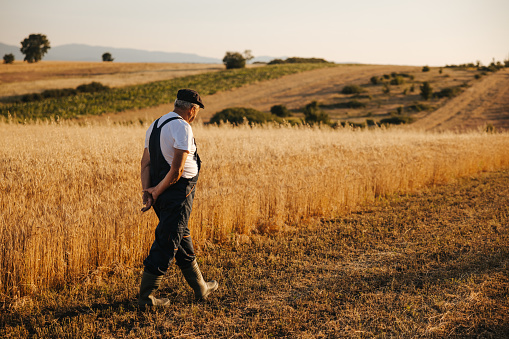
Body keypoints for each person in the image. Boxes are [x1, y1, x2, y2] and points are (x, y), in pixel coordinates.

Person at [138, 88, 218, 306]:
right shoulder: (182, 127)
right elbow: (177, 170)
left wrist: (149, 190)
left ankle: (200, 287)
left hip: (160, 189)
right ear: (192, 110)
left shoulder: (155, 124)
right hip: (178, 190)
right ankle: (146, 297)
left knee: (181, 234)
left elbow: (145, 163)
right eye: (197, 111)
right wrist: (156, 191)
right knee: (168, 240)